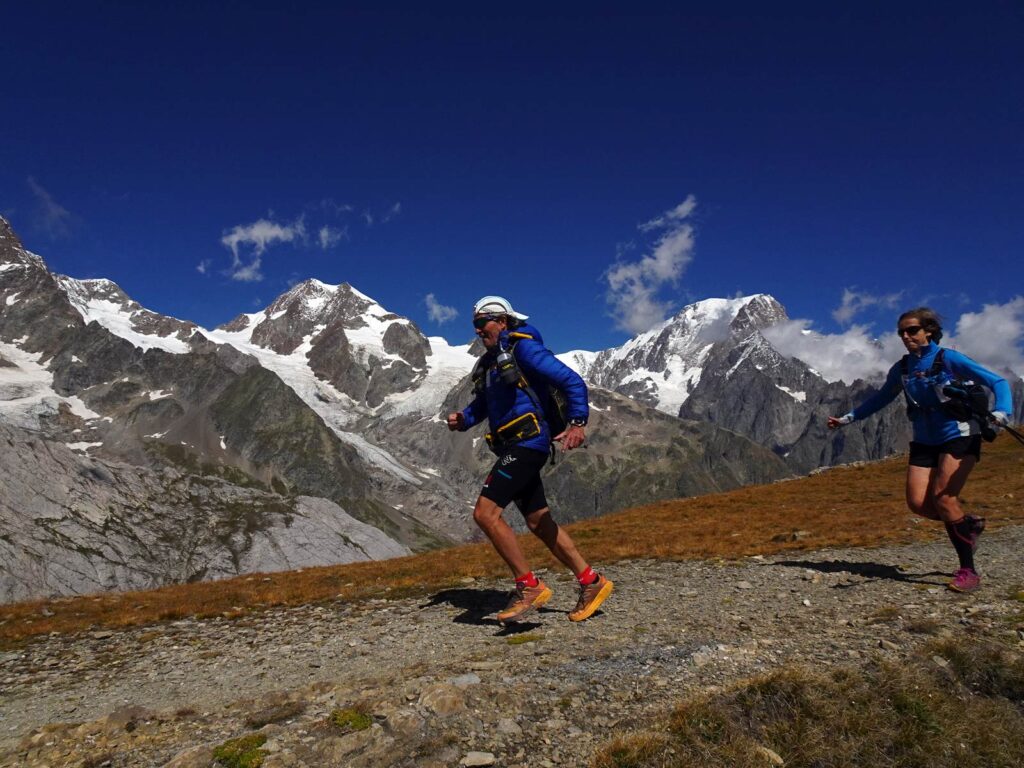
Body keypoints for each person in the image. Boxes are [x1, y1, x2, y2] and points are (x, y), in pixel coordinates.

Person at [446, 295, 614, 623]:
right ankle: (591, 582)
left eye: (484, 323)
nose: (479, 331)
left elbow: (571, 381)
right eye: (475, 326)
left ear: (503, 321)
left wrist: (578, 422)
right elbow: (483, 406)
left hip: (528, 441)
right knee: (538, 521)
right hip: (514, 444)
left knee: (486, 514)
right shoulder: (489, 365)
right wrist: (463, 419)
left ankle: (529, 586)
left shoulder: (523, 349)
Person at [828, 307, 1012, 592]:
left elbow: (997, 382)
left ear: (929, 331)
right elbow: (880, 399)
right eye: (901, 332)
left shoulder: (948, 358)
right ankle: (967, 526)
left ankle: (968, 571)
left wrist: (1002, 411)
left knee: (944, 497)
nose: (905, 336)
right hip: (925, 439)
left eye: (912, 330)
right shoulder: (902, 369)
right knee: (917, 503)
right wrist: (847, 418)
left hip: (959, 433)